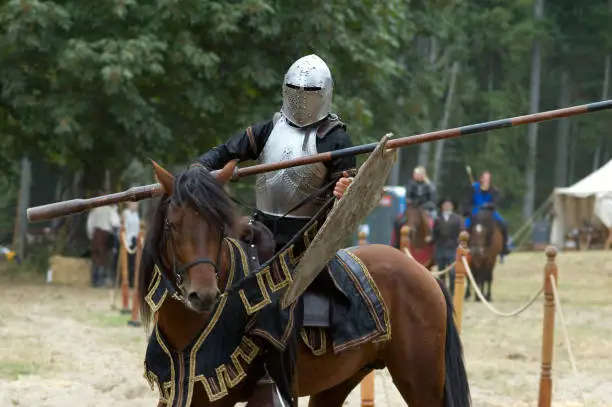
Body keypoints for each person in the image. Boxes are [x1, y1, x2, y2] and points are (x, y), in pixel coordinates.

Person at [193, 54, 355, 253]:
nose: (301, 98)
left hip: (308, 239)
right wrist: (198, 169)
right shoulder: (268, 130)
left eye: (310, 91)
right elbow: (224, 153)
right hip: (261, 231)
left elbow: (351, 199)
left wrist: (347, 190)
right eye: (295, 90)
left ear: (325, 93)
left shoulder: (336, 139)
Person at [463, 171, 510, 255]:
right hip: (475, 210)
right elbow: (467, 201)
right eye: (484, 178)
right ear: (481, 179)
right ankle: (463, 245)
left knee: (504, 224)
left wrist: (488, 205)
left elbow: (496, 202)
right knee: (465, 226)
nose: (486, 180)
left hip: (489, 211)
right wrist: (469, 210)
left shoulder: (494, 190)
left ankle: (504, 246)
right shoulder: (473, 188)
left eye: (488, 179)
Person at [86, 200, 121, 287]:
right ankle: (100, 280)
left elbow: (89, 224)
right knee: (104, 257)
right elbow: (115, 223)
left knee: (96, 256)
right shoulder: (110, 210)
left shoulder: (94, 210)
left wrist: (91, 236)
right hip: (106, 234)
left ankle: (95, 279)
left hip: (96, 234)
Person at [432, 198, 462, 295]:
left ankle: (452, 291)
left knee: (452, 272)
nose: (447, 206)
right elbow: (435, 233)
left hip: (452, 248)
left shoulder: (457, 219)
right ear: (442, 207)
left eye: (449, 205)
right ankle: (442, 291)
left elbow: (461, 231)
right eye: (445, 205)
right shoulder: (438, 219)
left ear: (452, 207)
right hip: (440, 248)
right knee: (441, 272)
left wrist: (459, 242)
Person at [122, 202, 140, 288]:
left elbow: (137, 229)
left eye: (136, 204)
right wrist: (126, 241)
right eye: (133, 203)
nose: (135, 205)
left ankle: (134, 281)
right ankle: (127, 281)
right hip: (127, 242)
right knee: (128, 262)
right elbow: (124, 228)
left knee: (135, 262)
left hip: (135, 241)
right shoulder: (126, 213)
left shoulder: (136, 215)